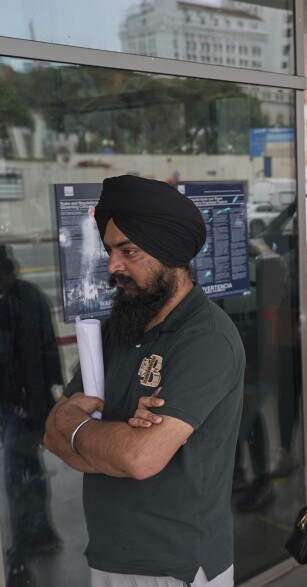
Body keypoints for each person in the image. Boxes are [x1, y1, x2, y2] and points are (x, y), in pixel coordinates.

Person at [43, 175, 245, 586]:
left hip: (177, 565)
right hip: (108, 552)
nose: (113, 265)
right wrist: (109, 443)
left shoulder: (206, 338)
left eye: (128, 251)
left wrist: (78, 428)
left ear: (168, 251)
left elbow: (139, 458)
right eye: (110, 250)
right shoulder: (113, 330)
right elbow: (51, 436)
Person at [0, 246, 63, 587]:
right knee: (29, 473)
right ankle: (41, 533)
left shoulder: (17, 301)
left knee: (16, 480)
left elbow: (30, 356)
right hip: (24, 404)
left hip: (22, 405)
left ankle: (19, 554)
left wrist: (31, 404)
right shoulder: (26, 296)